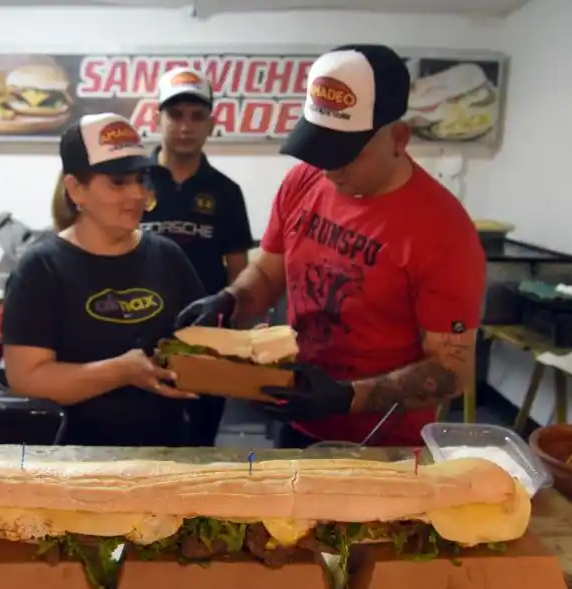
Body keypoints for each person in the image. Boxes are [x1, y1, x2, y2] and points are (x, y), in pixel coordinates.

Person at [177, 45, 486, 448]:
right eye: (320, 149)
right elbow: (270, 271)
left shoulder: (444, 232)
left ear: (398, 138)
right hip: (296, 415)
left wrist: (345, 397)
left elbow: (452, 371)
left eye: (347, 154)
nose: (330, 169)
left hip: (381, 443)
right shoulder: (303, 181)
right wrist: (232, 298)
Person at [1, 113, 206, 446]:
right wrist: (121, 371)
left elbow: (197, 342)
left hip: (167, 451)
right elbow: (26, 378)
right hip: (76, 460)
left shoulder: (167, 256)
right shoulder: (41, 268)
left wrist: (239, 348)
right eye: (118, 182)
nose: (137, 194)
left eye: (141, 179)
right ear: (76, 190)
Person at [142, 67, 255, 447]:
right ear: (156, 118)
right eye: (175, 115)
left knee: (199, 446)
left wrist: (235, 341)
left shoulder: (226, 191)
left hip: (205, 343)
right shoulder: (131, 182)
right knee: (138, 445)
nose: (185, 126)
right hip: (137, 336)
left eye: (197, 116)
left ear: (211, 123)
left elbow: (239, 273)